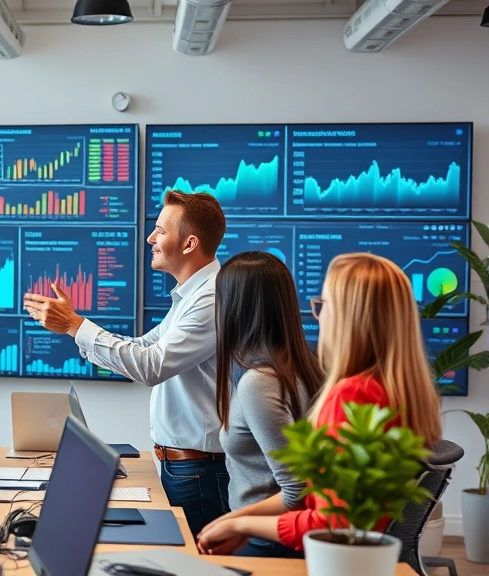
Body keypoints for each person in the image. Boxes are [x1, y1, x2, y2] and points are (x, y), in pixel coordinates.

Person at [196, 253, 443, 554]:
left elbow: (330, 525)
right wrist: (239, 520)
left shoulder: (352, 395)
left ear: (347, 319)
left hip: (322, 554)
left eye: (324, 306)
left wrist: (239, 524)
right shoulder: (402, 392)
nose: (318, 315)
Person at [23, 190, 228, 537]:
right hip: (183, 466)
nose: (151, 237)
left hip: (198, 471)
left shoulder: (210, 298)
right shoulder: (190, 294)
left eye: (160, 230)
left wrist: (75, 325)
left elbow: (151, 366)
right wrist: (76, 328)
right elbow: (144, 346)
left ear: (190, 243)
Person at [209, 251, 324, 558]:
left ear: (234, 307)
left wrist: (232, 522)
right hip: (270, 536)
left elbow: (297, 491)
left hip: (267, 542)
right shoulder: (303, 366)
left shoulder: (259, 383)